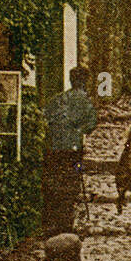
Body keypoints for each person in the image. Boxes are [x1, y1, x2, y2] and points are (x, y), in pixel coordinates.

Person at [42, 67, 98, 235]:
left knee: (55, 182)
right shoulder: (85, 101)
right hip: (73, 151)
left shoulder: (59, 99)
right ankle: (66, 223)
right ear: (84, 81)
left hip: (53, 150)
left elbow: (47, 116)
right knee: (72, 181)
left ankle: (53, 220)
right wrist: (79, 130)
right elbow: (91, 124)